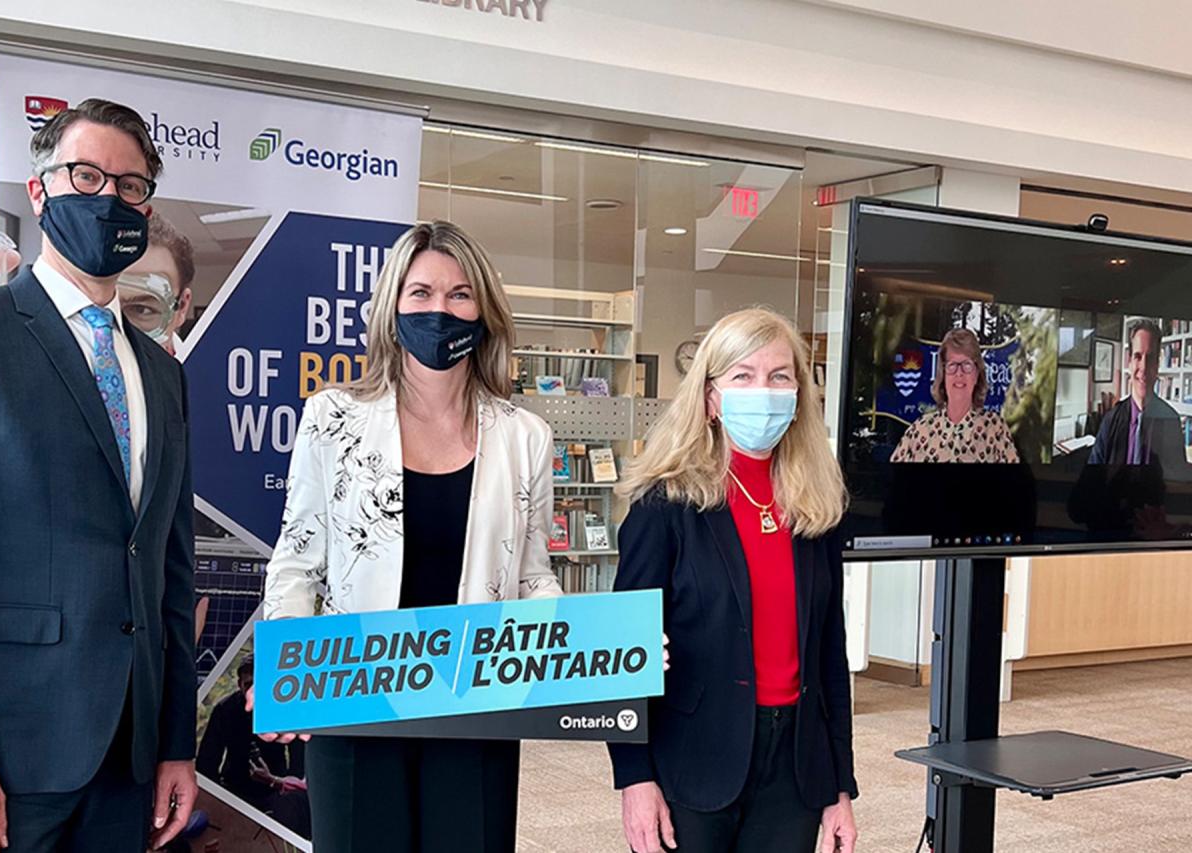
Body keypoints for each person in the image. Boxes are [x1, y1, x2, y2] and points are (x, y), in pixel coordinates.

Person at [0, 99, 197, 853]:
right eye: (87, 175)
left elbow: (168, 570)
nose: (109, 199)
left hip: (124, 764)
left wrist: (176, 743)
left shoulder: (163, 378)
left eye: (130, 187)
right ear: (39, 193)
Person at [256, 220, 562, 853]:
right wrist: (287, 669)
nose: (440, 309)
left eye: (459, 294)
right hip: (353, 701)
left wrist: (606, 648)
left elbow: (533, 576)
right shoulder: (332, 417)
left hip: (476, 705)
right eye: (420, 293)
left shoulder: (523, 435)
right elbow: (297, 561)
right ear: (393, 306)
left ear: (484, 311)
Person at [609, 307, 857, 853]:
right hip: (691, 761)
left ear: (798, 396)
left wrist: (840, 785)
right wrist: (634, 778)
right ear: (710, 397)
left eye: (779, 376)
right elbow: (623, 653)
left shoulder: (817, 506)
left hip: (795, 767)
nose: (763, 391)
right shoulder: (664, 503)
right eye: (742, 376)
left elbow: (829, 655)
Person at [196, 658, 309, 837]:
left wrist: (282, 784)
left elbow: (299, 757)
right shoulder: (226, 709)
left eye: (258, 684)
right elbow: (207, 761)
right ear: (239, 684)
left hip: (275, 786)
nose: (252, 692)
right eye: (248, 684)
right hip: (235, 787)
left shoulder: (284, 707)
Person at [890, 327, 1019, 463]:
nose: (959, 373)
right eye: (952, 365)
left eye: (967, 365)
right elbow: (892, 481)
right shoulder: (919, 430)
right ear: (943, 374)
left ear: (976, 375)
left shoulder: (996, 429)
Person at [1088, 319, 1188, 469]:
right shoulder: (1110, 421)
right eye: (1138, 356)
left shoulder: (1171, 422)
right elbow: (1092, 478)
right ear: (1129, 362)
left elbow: (1176, 485)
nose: (1143, 367)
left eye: (1150, 358)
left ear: (1157, 365)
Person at [119, 212, 196, 355]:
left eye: (141, 310)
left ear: (182, 308)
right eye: (97, 308)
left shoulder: (207, 374)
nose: (114, 330)